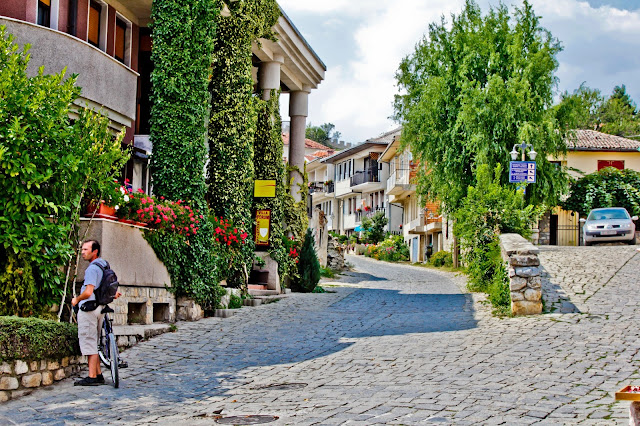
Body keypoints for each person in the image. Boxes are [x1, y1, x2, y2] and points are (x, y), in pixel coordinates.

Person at [71, 240, 110, 386]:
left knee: (89, 341)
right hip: (100, 307)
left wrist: (76, 300)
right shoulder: (104, 264)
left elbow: (88, 292)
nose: (82, 252)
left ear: (95, 251)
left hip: (89, 308)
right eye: (82, 249)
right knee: (95, 340)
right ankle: (98, 374)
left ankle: (92, 376)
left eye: (86, 249)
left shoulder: (92, 269)